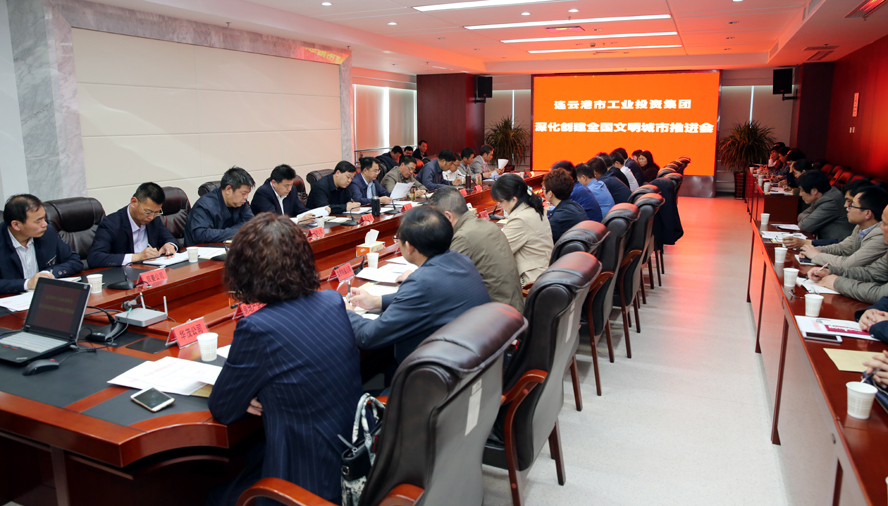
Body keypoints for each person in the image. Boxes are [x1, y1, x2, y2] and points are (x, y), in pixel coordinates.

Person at [207, 214, 361, 506]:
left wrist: (247, 393)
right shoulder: (332, 302)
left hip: (305, 481)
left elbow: (223, 408)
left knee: (215, 496)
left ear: (244, 270)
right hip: (351, 456)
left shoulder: (257, 327)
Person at [346, 206, 490, 363]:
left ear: (409, 247)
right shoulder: (461, 260)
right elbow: (429, 297)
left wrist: (347, 312)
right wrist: (377, 301)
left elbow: (368, 337)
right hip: (476, 359)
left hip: (438, 370)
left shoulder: (421, 282)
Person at [428, 187, 523, 311]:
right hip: (512, 308)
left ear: (448, 216)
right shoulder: (487, 225)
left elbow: (442, 283)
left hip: (496, 315)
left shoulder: (463, 237)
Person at [0, 195, 83, 294]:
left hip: (45, 295)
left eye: (44, 218)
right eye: (38, 221)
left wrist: (47, 273)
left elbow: (75, 261)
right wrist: (27, 284)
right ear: (16, 225)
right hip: (10, 299)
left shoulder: (47, 233)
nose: (45, 224)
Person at [87, 183, 179, 268]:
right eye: (148, 212)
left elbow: (169, 238)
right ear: (133, 202)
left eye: (156, 212)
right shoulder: (111, 224)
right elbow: (94, 258)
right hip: (124, 274)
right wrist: (137, 257)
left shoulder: (154, 219)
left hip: (150, 270)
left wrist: (170, 245)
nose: (151, 217)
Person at [809, 205, 888, 303]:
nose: (881, 227)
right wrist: (831, 271)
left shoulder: (878, 235)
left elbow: (880, 294)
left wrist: (837, 283)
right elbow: (871, 273)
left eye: (885, 224)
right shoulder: (859, 228)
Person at [799, 187, 888, 269]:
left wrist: (816, 255)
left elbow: (848, 264)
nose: (846, 207)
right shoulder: (860, 227)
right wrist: (813, 250)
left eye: (851, 205)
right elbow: (842, 248)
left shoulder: (880, 235)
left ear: (867, 213)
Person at [491, 173, 553, 285]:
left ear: (513, 199)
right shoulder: (533, 207)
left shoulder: (520, 219)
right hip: (545, 272)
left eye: (500, 202)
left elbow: (498, 252)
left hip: (531, 281)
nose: (501, 206)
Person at [784, 178, 874, 249]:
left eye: (851, 202)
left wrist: (808, 245)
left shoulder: (831, 200)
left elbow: (805, 225)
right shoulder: (858, 228)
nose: (845, 206)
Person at [184, 167, 255, 246]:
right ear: (228, 189)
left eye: (248, 193)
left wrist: (234, 232)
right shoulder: (205, 205)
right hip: (203, 250)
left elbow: (252, 224)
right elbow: (201, 235)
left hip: (228, 247)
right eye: (243, 193)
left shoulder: (241, 202)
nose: (246, 197)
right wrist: (237, 231)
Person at [796, 170, 855, 240]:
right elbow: (800, 216)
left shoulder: (830, 201)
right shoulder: (823, 197)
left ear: (814, 191)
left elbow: (805, 226)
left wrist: (808, 218)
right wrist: (809, 217)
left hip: (837, 243)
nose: (800, 194)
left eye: (802, 190)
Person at [250, 165, 321, 223]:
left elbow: (300, 210)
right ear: (274, 183)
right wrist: (299, 220)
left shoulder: (292, 190)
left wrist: (315, 215)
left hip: (288, 230)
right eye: (286, 185)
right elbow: (273, 220)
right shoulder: (263, 193)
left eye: (291, 184)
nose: (289, 188)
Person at [544, 169, 588, 242]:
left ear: (550, 194)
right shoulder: (576, 206)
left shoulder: (556, 219)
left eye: (543, 189)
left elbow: (545, 241)